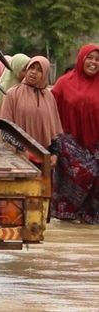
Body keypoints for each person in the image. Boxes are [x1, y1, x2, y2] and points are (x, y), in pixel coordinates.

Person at [50, 44, 99, 223]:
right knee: (85, 173)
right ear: (81, 59)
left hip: (96, 143)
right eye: (90, 58)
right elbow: (51, 109)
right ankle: (65, 216)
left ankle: (89, 220)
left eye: (97, 59)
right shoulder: (64, 82)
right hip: (69, 141)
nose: (94, 62)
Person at [0, 56, 62, 149]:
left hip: (44, 156)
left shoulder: (48, 97)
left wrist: (54, 153)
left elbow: (55, 129)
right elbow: (5, 129)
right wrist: (23, 150)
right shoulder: (12, 94)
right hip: (19, 155)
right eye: (31, 68)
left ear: (45, 74)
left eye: (39, 70)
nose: (34, 72)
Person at [0, 53, 29, 118]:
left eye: (29, 69)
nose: (28, 73)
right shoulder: (3, 90)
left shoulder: (27, 87)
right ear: (16, 70)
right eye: (24, 70)